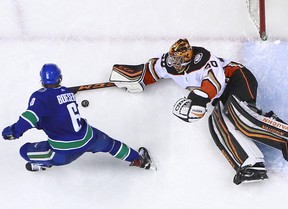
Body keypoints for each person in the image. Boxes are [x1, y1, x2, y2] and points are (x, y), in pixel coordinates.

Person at [109, 38, 288, 185]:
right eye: (173, 59)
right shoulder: (168, 63)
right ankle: (251, 164)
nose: (174, 63)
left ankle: (284, 135)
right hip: (220, 96)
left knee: (240, 117)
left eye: (178, 61)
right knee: (217, 124)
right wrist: (132, 79)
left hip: (237, 79)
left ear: (187, 58)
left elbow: (213, 84)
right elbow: (150, 71)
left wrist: (197, 101)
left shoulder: (205, 61)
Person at [2, 63, 156, 172]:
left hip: (64, 152)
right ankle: (140, 160)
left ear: (42, 80)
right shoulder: (67, 93)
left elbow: (29, 117)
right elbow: (57, 113)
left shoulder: (40, 97)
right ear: (60, 78)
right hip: (89, 137)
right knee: (112, 145)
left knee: (24, 151)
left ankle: (44, 163)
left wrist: (14, 131)